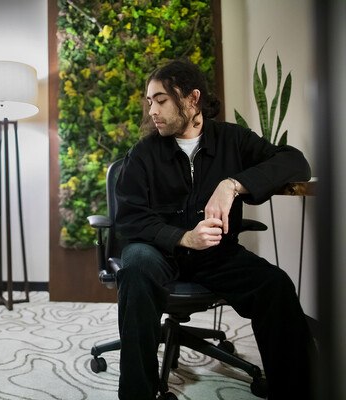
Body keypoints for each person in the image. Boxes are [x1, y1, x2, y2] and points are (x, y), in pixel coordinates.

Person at [114, 59, 315, 400]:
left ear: (192, 99)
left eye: (160, 100)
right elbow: (130, 217)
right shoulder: (143, 154)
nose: (152, 111)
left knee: (274, 285)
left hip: (217, 254)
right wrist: (182, 237)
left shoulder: (232, 140)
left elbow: (296, 162)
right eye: (149, 102)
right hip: (158, 251)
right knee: (135, 267)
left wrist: (233, 183)